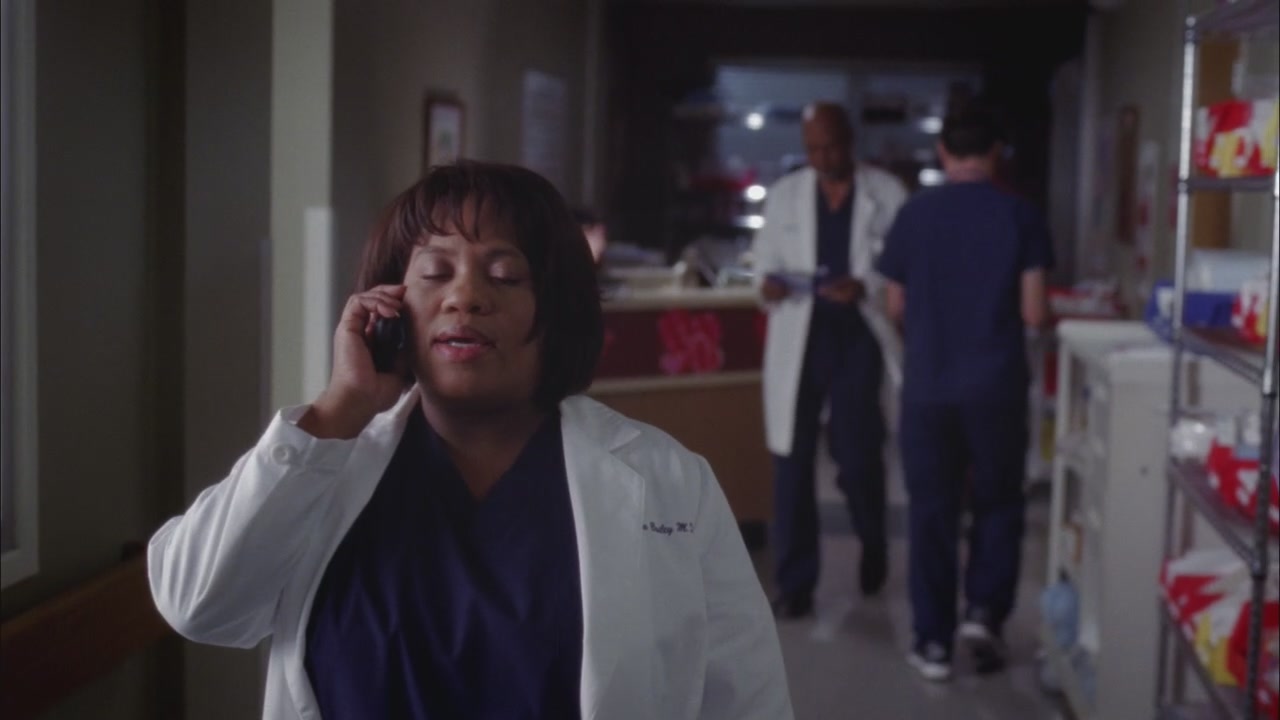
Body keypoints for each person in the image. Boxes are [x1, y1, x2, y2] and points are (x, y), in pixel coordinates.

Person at [148, 161, 793, 720]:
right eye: (434, 273)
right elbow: (198, 605)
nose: (465, 297)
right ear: (390, 304)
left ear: (557, 309)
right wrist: (339, 408)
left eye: (505, 276)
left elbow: (746, 700)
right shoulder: (325, 461)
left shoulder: (668, 481)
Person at [876, 106, 1051, 682]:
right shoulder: (1021, 214)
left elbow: (894, 304)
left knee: (932, 511)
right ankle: (983, 616)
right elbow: (1033, 312)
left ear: (944, 153)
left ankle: (932, 642)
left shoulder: (914, 214)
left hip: (929, 388)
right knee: (999, 501)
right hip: (996, 386)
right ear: (996, 152)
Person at [751, 102, 908, 618]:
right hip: (802, 335)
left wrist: (865, 286)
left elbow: (903, 271)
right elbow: (763, 263)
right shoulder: (786, 194)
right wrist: (768, 285)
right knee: (792, 460)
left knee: (858, 453)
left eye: (832, 147)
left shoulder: (887, 193)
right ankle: (795, 584)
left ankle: (873, 538)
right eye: (813, 149)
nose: (823, 158)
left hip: (859, 335)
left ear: (850, 141)